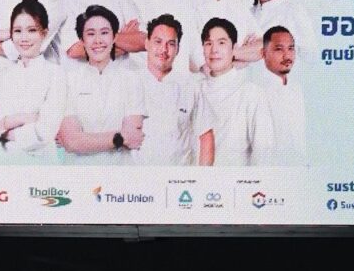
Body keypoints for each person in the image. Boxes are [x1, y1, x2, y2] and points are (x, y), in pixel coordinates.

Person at [0, 0, 65, 156]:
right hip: (0, 161)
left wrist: (1, 129)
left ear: (44, 33)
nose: (24, 38)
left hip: (39, 163)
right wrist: (21, 118)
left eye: (32, 30)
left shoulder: (55, 74)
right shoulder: (2, 75)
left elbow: (44, 133)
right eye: (18, 31)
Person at [56, 7, 141, 162]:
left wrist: (85, 139)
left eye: (104, 32)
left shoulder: (131, 79)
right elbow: (71, 142)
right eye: (90, 34)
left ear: (114, 37)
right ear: (81, 40)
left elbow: (134, 138)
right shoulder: (67, 81)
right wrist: (120, 138)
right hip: (78, 172)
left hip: (120, 172)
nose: (98, 40)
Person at [127, 13, 212, 165]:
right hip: (138, 175)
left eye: (171, 44)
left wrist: (203, 176)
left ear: (178, 49)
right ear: (147, 43)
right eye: (158, 42)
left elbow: (206, 136)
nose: (164, 49)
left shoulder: (190, 87)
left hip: (180, 174)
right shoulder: (130, 83)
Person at [194, 18, 268, 167]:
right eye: (208, 43)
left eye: (221, 43)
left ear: (234, 48)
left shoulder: (251, 94)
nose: (214, 50)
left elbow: (263, 154)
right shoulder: (195, 90)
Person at [257, 26, 306, 164]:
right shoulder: (257, 92)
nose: (287, 55)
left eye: (291, 48)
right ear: (263, 53)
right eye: (279, 49)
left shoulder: (296, 89)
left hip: (298, 169)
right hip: (271, 171)